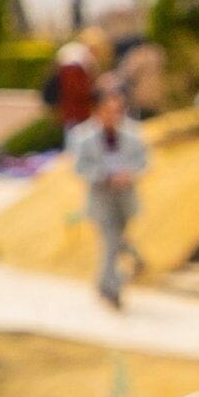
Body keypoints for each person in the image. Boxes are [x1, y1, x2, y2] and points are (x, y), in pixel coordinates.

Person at [68, 96, 151, 309]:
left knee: (115, 240)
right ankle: (111, 288)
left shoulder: (132, 134)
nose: (114, 116)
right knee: (111, 240)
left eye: (118, 111)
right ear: (98, 112)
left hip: (124, 197)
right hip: (100, 197)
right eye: (109, 111)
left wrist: (129, 175)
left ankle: (105, 283)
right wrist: (105, 176)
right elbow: (79, 168)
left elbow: (144, 162)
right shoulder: (83, 136)